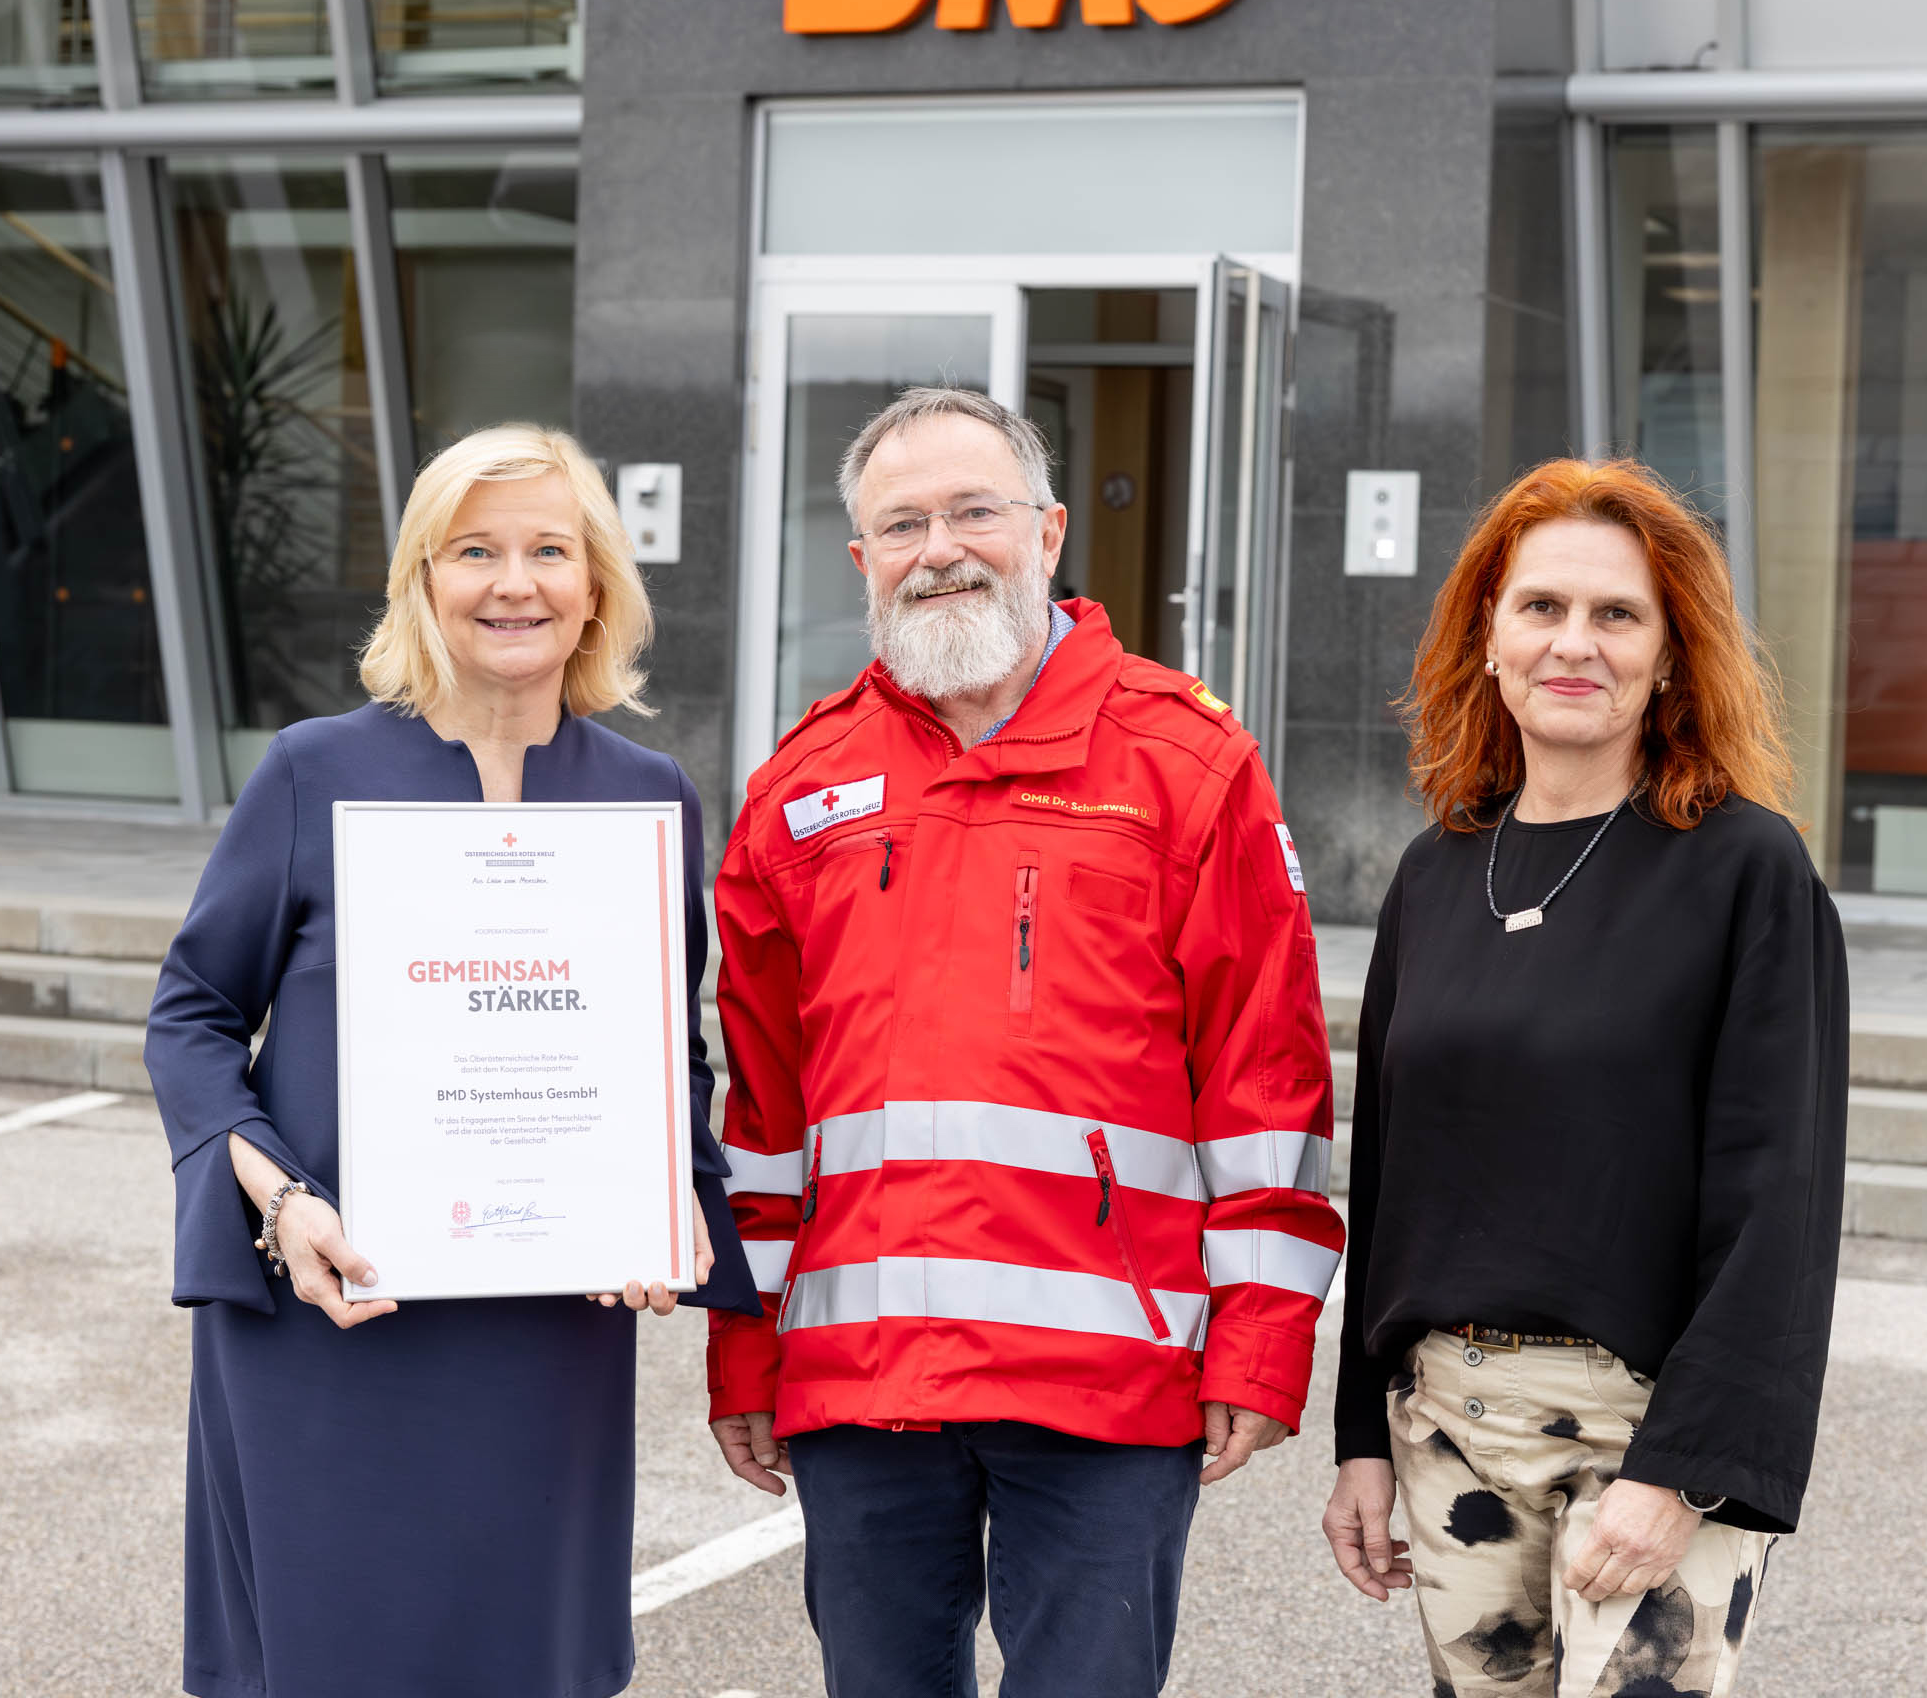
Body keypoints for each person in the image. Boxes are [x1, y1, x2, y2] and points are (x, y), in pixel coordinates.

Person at [707, 385, 1343, 1698]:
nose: (938, 548)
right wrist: (743, 1347)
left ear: (1046, 531)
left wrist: (1259, 1342)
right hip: (857, 1381)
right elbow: (759, 1115)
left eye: (972, 512)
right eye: (900, 524)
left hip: (1106, 1380)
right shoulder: (794, 791)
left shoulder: (1187, 761)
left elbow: (1263, 1078)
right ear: (861, 561)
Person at [144, 424, 755, 1698]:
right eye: (474, 550)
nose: (513, 581)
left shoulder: (647, 792)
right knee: (330, 1648)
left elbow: (663, 1049)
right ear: (424, 578)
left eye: (548, 548)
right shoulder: (315, 769)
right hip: (338, 1311)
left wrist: (670, 1203)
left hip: (545, 1337)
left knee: (524, 1651)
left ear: (597, 584)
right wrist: (280, 1200)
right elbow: (193, 1014)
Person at [1320, 457, 1847, 1698]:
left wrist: (1682, 1473)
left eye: (1616, 614)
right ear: (1487, 637)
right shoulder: (1436, 872)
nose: (1575, 643)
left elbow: (1781, 1203)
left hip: (1644, 1436)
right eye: (1540, 607)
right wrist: (1359, 1440)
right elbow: (1387, 1173)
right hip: (1449, 1424)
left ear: (1669, 654)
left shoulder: (1742, 870)